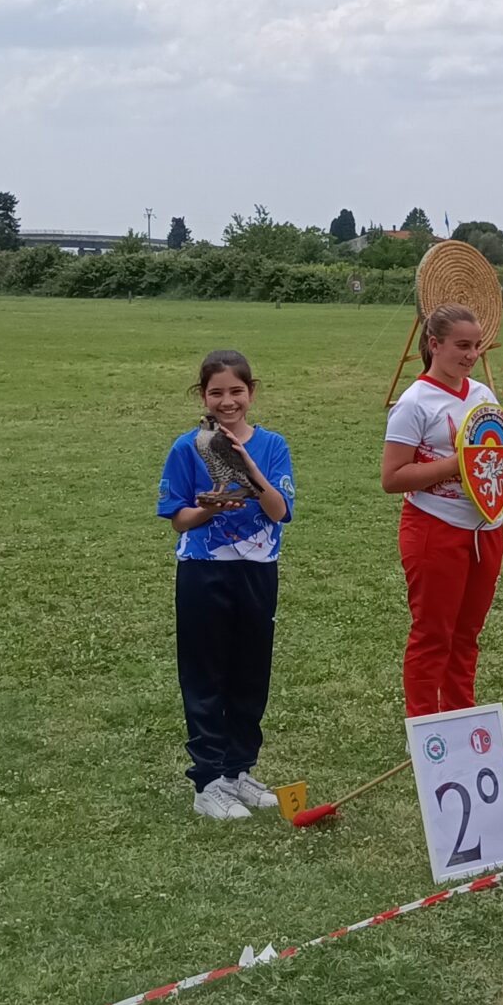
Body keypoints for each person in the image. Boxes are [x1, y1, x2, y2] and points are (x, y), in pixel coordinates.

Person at [158, 349, 296, 821]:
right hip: (203, 570)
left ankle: (238, 771)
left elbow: (278, 511)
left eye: (236, 391)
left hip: (257, 571)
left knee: (250, 673)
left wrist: (248, 468)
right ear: (203, 396)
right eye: (216, 392)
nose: (227, 401)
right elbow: (179, 519)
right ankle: (208, 781)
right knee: (205, 674)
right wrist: (209, 509)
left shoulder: (273, 445)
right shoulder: (187, 447)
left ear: (251, 393)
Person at [382, 304, 503, 717]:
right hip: (434, 528)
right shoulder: (414, 402)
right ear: (434, 344)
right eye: (462, 346)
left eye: (477, 346)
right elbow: (392, 478)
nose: (472, 355)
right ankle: (424, 731)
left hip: (486, 529)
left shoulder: (483, 394)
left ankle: (461, 720)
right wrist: (459, 464)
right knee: (433, 635)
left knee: (467, 634)